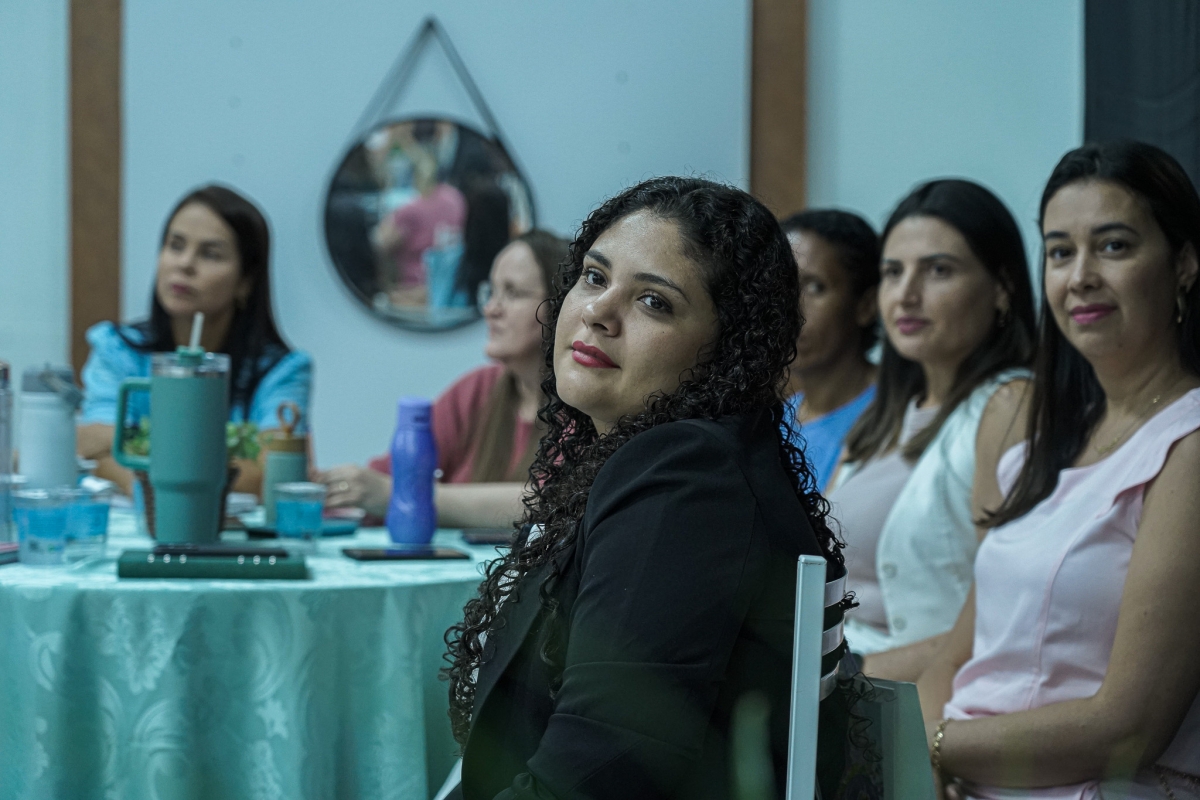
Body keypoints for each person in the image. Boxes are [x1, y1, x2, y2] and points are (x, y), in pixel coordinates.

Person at [440, 177, 853, 800]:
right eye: (594, 277)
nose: (598, 313)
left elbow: (598, 771)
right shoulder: (676, 456)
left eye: (654, 302)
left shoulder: (688, 477)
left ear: (726, 348)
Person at [918, 141, 1200, 799]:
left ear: (1184, 264)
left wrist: (937, 748)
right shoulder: (1040, 445)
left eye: (1114, 246)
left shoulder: (1188, 444)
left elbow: (1126, 728)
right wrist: (923, 752)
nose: (1081, 277)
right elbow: (956, 654)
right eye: (1060, 252)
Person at [828, 180, 1037, 678]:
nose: (907, 295)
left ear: (1002, 288)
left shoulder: (1011, 404)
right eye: (893, 272)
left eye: (938, 270)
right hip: (839, 679)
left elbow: (1009, 615)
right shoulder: (882, 417)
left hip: (912, 694)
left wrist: (845, 674)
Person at [318, 230, 570, 529]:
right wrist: (333, 489)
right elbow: (392, 475)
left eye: (513, 293)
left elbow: (550, 502)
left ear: (561, 307)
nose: (491, 309)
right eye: (491, 292)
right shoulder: (478, 389)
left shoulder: (584, 406)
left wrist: (398, 496)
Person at [77, 184, 311, 497]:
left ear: (245, 281)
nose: (185, 264)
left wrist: (142, 457)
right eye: (175, 246)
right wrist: (218, 464)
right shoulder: (117, 348)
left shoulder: (282, 370)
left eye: (210, 254)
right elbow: (95, 452)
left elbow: (272, 474)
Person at [778, 209, 881, 490]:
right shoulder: (780, 420)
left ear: (866, 305)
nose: (790, 307)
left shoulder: (894, 413)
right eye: (782, 285)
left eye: (814, 287)